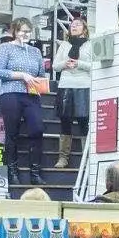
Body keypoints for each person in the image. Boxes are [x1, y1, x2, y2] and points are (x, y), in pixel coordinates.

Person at [0, 17, 48, 186]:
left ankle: (35, 173)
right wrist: (21, 75)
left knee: (37, 129)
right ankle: (12, 172)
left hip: (32, 95)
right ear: (15, 32)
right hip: (11, 93)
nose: (25, 34)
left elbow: (41, 74)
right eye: (22, 30)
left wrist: (38, 81)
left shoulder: (35, 51)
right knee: (12, 133)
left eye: (27, 31)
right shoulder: (5, 48)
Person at [52, 15, 93, 168]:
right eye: (72, 25)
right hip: (66, 85)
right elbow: (55, 66)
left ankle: (87, 158)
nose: (73, 26)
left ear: (84, 28)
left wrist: (79, 64)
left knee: (84, 122)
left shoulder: (90, 44)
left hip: (84, 86)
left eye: (77, 24)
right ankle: (63, 158)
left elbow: (95, 66)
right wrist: (65, 64)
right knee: (65, 121)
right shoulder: (64, 45)